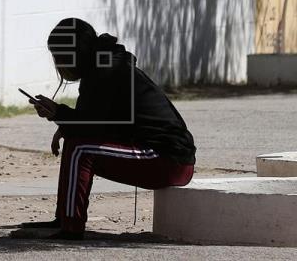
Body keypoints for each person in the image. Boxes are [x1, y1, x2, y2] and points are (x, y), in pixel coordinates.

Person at [21, 18, 196, 240]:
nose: (57, 64)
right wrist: (63, 124)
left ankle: (71, 228)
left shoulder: (106, 68)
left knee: (80, 149)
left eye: (58, 57)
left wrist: (59, 114)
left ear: (73, 54)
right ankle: (64, 218)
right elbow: (93, 120)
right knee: (76, 143)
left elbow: (93, 125)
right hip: (165, 157)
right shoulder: (102, 63)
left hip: (168, 160)